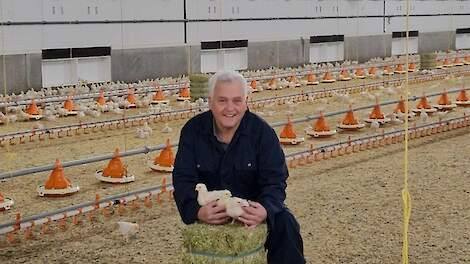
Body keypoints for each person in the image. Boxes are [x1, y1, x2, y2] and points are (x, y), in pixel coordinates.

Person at [172, 70, 305, 264]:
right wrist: (196, 210)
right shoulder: (193, 131)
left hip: (251, 207)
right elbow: (183, 179)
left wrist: (265, 209)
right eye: (222, 100)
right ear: (210, 102)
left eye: (237, 100)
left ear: (246, 101)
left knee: (286, 223)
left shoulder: (263, 133)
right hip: (214, 210)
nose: (230, 108)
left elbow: (275, 180)